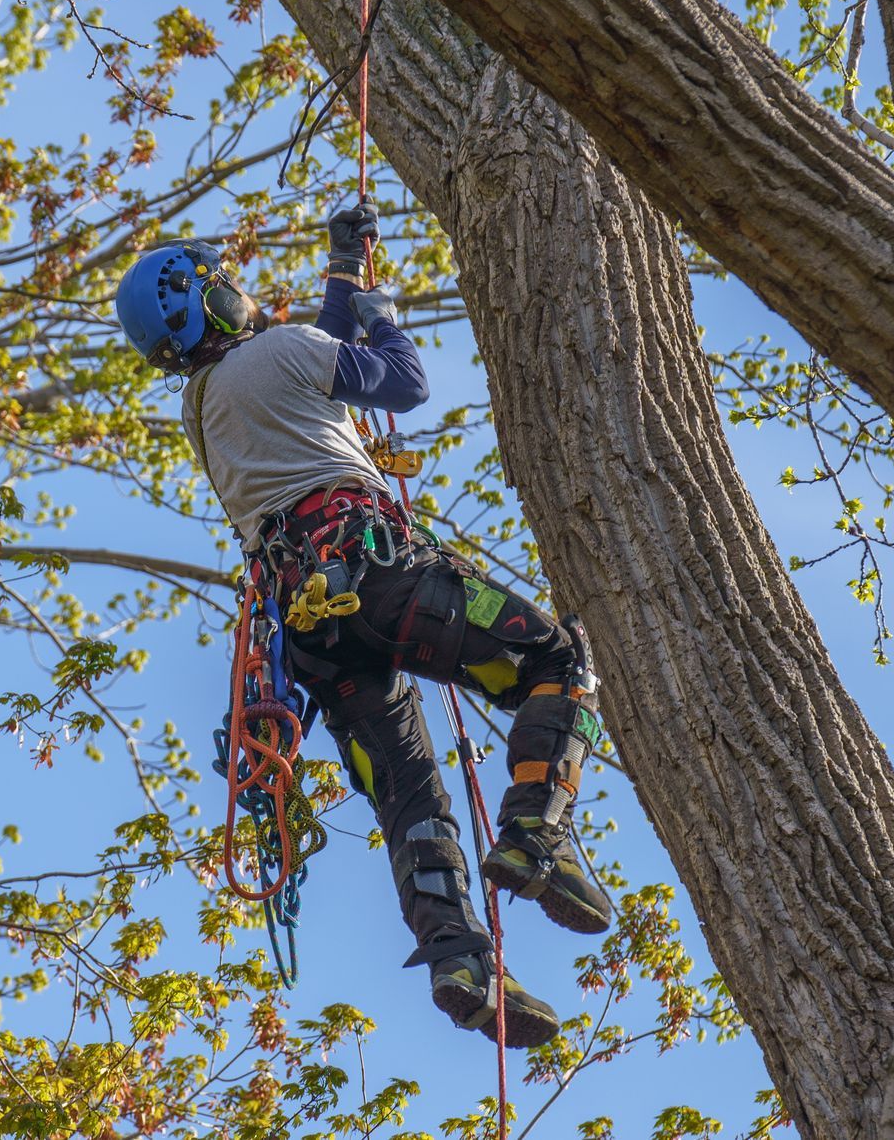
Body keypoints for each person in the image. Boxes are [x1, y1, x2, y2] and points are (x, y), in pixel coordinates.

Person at [113, 204, 613, 1047]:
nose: (240, 292)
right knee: (558, 663)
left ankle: (460, 961)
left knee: (409, 791)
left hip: (311, 630)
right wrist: (380, 310)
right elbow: (402, 383)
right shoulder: (276, 354)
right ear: (208, 302)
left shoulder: (205, 404)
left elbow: (316, 351)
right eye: (223, 284)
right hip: (381, 578)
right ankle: (536, 830)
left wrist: (344, 269)